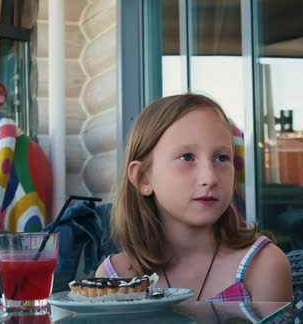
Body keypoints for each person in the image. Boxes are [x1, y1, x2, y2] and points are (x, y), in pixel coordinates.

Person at [95, 93, 292, 303]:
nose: (209, 178)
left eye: (221, 158)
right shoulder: (113, 277)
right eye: (187, 157)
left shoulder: (263, 266)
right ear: (143, 177)